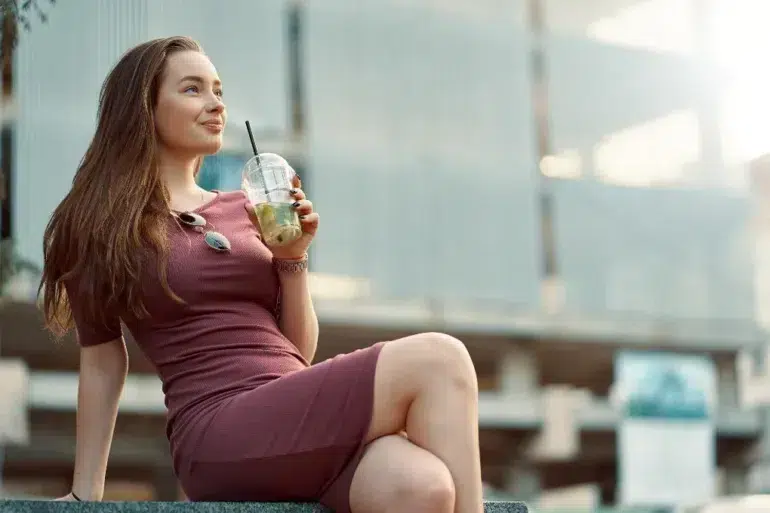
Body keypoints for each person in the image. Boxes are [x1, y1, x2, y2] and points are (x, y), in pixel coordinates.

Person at [41, 36, 483, 513]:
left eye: (218, 90)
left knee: (420, 486)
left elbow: (297, 352)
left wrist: (292, 259)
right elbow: (103, 361)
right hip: (217, 432)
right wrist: (87, 492)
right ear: (143, 108)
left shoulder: (249, 208)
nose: (215, 104)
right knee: (441, 359)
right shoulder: (101, 223)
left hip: (290, 415)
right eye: (193, 90)